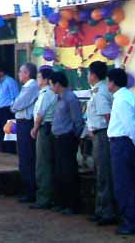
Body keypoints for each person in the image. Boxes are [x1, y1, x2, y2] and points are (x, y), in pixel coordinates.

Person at [107, 68, 135, 235]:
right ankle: (129, 220)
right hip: (124, 144)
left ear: (113, 82)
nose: (108, 84)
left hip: (122, 143)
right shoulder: (128, 96)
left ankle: (130, 223)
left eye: (109, 81)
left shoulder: (121, 100)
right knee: (126, 184)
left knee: (124, 185)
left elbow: (130, 126)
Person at [50, 71, 85, 215]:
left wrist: (73, 137)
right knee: (59, 171)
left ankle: (73, 204)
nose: (51, 87)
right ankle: (62, 202)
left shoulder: (70, 98)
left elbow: (78, 121)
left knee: (69, 171)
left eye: (52, 84)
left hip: (67, 138)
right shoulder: (58, 98)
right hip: (58, 138)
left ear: (58, 84)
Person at [86, 61, 116, 225]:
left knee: (103, 174)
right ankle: (100, 209)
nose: (87, 76)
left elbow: (107, 117)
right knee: (99, 173)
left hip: (103, 135)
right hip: (97, 134)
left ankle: (107, 212)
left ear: (94, 75)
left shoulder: (101, 91)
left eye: (89, 73)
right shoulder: (97, 90)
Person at [11, 63, 40, 203]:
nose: (19, 74)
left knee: (27, 157)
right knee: (24, 157)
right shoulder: (27, 87)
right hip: (22, 123)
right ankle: (27, 190)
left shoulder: (31, 87)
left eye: (21, 72)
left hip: (26, 123)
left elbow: (17, 105)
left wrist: (14, 105)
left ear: (27, 73)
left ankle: (30, 192)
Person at [29, 67, 57, 209]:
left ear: (46, 80)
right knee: (46, 163)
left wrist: (34, 127)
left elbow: (40, 113)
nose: (37, 79)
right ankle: (47, 196)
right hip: (47, 128)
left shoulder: (47, 94)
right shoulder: (48, 93)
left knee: (43, 164)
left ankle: (44, 198)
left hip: (44, 128)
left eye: (39, 77)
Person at [0, 63, 19, 153]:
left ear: (1, 72)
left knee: (9, 133)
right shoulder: (0, 82)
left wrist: (12, 110)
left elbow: (16, 97)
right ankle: (3, 154)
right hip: (0, 111)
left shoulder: (10, 81)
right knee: (1, 133)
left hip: (8, 110)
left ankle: (10, 153)